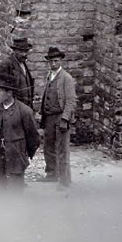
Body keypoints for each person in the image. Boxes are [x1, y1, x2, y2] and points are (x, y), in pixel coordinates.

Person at [0, 76, 40, 189]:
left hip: (16, 155)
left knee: (16, 189)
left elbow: (33, 138)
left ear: (9, 92)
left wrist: (25, 154)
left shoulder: (25, 111)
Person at [39, 46, 77, 188]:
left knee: (62, 149)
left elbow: (71, 101)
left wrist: (65, 119)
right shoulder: (50, 76)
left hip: (60, 117)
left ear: (60, 60)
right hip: (49, 117)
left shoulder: (66, 78)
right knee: (48, 146)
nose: (53, 64)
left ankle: (64, 180)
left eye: (56, 61)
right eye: (51, 61)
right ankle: (52, 174)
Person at [0, 35, 35, 107]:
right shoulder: (6, 65)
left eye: (26, 51)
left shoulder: (24, 64)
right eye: (21, 51)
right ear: (14, 51)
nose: (24, 54)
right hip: (12, 108)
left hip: (25, 107)